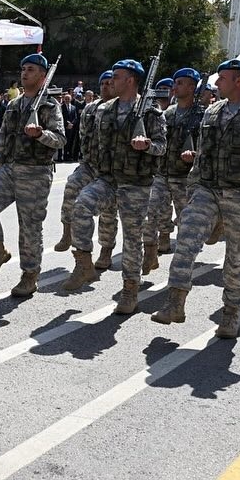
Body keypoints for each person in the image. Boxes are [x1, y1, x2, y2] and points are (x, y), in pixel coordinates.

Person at [152, 59, 240, 338]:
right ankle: (175, 302)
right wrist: (192, 191)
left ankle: (231, 313)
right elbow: (203, 156)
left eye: (221, 79)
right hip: (207, 190)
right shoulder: (212, 112)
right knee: (186, 240)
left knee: (237, 256)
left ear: (239, 81)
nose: (216, 84)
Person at [62, 59, 166, 315]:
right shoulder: (104, 110)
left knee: (132, 239)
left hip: (136, 183)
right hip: (107, 178)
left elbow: (162, 147)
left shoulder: (152, 112)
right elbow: (96, 145)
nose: (111, 80)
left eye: (117, 77)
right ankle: (84, 261)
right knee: (82, 205)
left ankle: (130, 289)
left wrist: (147, 146)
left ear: (130, 80)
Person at [0, 53, 65, 298]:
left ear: (42, 75)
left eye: (31, 69)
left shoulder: (49, 105)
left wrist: (40, 135)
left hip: (36, 172)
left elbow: (60, 140)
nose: (25, 73)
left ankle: (29, 275)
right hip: (10, 170)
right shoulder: (14, 105)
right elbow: (4, 141)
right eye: (23, 68)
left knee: (29, 228)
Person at [54, 70, 119, 269]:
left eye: (110, 83)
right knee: (72, 186)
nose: (106, 86)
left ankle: (106, 251)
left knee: (108, 212)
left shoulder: (122, 108)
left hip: (112, 170)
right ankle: (67, 232)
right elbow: (84, 135)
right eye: (103, 84)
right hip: (90, 165)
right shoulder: (90, 108)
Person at [143, 68, 204, 274]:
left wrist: (196, 154)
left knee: (186, 221)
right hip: (162, 174)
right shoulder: (167, 113)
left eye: (180, 83)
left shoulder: (202, 116)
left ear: (192, 87)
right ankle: (150, 252)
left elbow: (210, 148)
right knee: (149, 212)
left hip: (186, 178)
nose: (174, 86)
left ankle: (183, 263)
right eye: (174, 83)